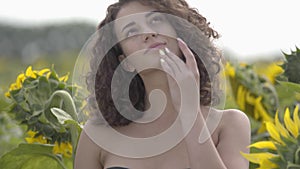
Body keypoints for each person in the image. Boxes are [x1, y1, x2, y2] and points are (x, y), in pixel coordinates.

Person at [74, 0, 250, 168]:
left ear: (179, 32)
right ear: (125, 62)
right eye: (131, 32)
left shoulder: (229, 124)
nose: (148, 33)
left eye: (156, 19)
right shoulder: (97, 134)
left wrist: (189, 110)